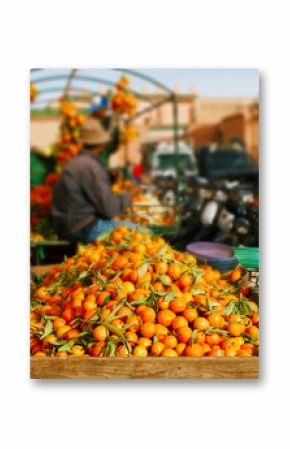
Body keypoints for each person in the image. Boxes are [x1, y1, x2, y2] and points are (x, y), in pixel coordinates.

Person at [52, 118, 140, 243]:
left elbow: (87, 189)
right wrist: (129, 194)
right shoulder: (90, 166)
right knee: (145, 233)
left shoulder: (76, 162)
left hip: (68, 227)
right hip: (83, 228)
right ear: (102, 145)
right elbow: (109, 209)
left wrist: (109, 178)